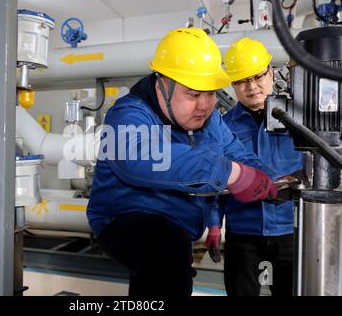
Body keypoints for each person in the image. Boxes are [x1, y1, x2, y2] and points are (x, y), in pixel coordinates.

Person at [86, 28, 278, 297]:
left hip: (178, 227)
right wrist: (231, 173)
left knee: (161, 268)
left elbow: (239, 153)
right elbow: (140, 156)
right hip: (125, 219)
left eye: (210, 93)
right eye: (193, 94)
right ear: (163, 84)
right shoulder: (127, 113)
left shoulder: (212, 121)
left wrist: (270, 179)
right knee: (165, 257)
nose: (204, 105)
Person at [205, 37, 305, 296]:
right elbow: (216, 180)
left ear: (271, 72)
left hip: (290, 232)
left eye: (258, 77)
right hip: (243, 234)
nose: (251, 87)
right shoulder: (223, 126)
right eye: (241, 80)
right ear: (232, 84)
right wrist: (214, 225)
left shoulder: (299, 119)